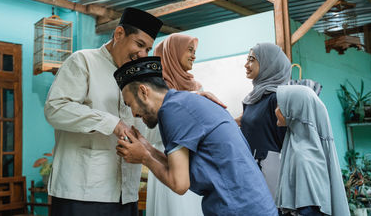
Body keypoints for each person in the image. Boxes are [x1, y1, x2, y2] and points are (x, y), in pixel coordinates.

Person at [114, 57, 278, 216]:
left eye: (130, 104)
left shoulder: (172, 111)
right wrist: (146, 147)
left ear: (143, 91)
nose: (134, 113)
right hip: (253, 204)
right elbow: (177, 167)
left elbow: (180, 184)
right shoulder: (182, 102)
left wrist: (144, 158)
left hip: (238, 208)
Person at [44, 7, 163, 216]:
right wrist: (113, 123)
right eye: (139, 44)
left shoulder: (139, 77)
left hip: (127, 194)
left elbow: (147, 131)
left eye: (148, 49)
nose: (142, 54)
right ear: (119, 34)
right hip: (81, 194)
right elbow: (56, 109)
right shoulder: (83, 61)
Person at [146, 33, 203, 216]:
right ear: (172, 52)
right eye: (189, 50)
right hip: (167, 160)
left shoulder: (197, 87)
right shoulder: (155, 88)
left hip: (194, 163)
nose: (194, 55)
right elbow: (150, 131)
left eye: (195, 51)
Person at [274, 85, 350, 216]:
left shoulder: (304, 156)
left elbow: (309, 208)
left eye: (280, 105)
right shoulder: (296, 144)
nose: (276, 110)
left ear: (294, 109)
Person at [235, 42, 291, 198]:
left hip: (269, 171)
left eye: (252, 59)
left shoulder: (278, 98)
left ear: (269, 63)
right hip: (249, 167)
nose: (246, 64)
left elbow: (286, 142)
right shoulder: (252, 99)